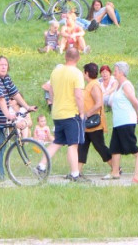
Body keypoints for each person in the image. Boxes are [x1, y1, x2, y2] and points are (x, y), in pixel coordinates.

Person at [0, 55, 36, 188]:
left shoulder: (6, 79)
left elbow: (15, 93)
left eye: (6, 64)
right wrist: (9, 115)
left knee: (0, 150)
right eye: (1, 64)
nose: (4, 67)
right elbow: (1, 99)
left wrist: (27, 107)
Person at [41, 46, 85, 182]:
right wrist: (82, 112)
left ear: (65, 57)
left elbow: (51, 91)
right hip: (71, 113)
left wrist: (55, 103)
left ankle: (41, 165)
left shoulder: (56, 72)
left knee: (57, 141)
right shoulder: (77, 73)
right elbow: (78, 95)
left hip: (57, 113)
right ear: (78, 58)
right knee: (73, 144)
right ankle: (75, 174)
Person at [102, 61, 138, 180]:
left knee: (131, 147)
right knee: (115, 148)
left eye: (116, 70)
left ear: (122, 72)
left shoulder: (126, 85)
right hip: (118, 122)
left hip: (126, 121)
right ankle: (115, 172)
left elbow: (135, 101)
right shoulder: (118, 85)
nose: (114, 72)